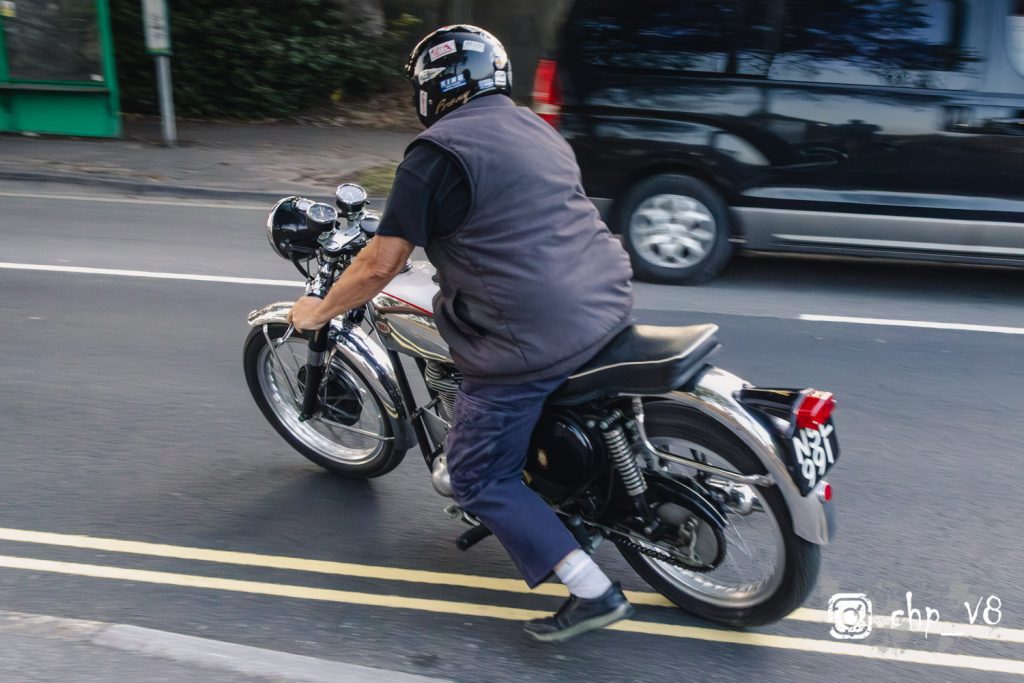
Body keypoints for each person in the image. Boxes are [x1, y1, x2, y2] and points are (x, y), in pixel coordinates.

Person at [288, 25, 635, 642]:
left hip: (530, 335)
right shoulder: (535, 128)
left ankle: (593, 591)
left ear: (436, 87)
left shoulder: (435, 156)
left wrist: (317, 312)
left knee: (476, 475)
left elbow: (380, 264)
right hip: (604, 299)